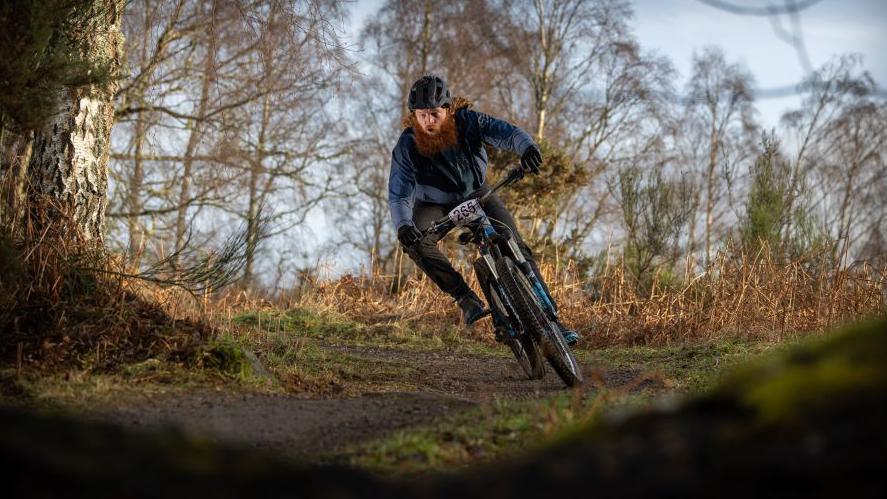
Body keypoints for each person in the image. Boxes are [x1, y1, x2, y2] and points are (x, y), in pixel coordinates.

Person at [388, 75, 579, 346]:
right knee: (415, 243)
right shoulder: (407, 145)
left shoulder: (469, 122)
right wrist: (403, 225)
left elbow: (507, 134)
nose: (428, 121)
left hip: (477, 194)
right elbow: (398, 194)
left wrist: (527, 148)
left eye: (434, 113)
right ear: (414, 116)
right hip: (434, 204)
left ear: (448, 109)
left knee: (515, 245)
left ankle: (555, 323)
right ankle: (466, 299)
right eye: (422, 115)